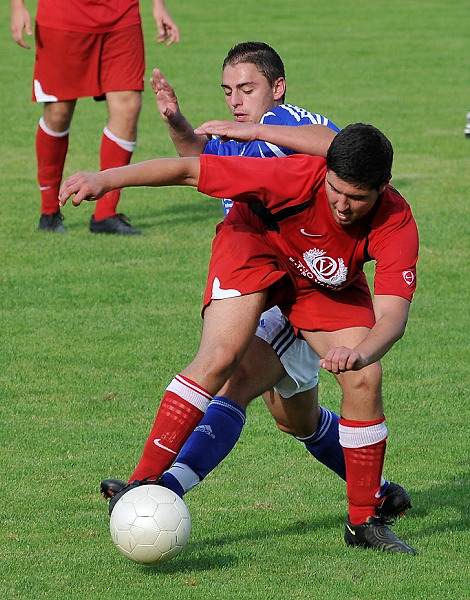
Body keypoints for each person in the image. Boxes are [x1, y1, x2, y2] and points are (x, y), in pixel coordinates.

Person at [59, 122, 420, 554]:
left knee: (364, 379)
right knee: (222, 356)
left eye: (356, 198)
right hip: (253, 246)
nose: (342, 205)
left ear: (384, 185)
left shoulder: (396, 220)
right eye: (335, 190)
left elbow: (392, 317)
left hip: (320, 283)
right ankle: (141, 485)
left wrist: (360, 354)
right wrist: (104, 180)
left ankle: (364, 520)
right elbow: (189, 170)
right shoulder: (292, 178)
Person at [97, 42, 409, 520]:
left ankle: (158, 489)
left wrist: (258, 129)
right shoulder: (242, 139)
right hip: (260, 266)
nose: (236, 100)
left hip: (305, 279)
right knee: (295, 420)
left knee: (236, 379)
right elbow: (199, 163)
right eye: (228, 91)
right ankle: (380, 492)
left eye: (247, 88)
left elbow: (336, 146)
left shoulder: (292, 129)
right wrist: (178, 125)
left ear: (278, 87)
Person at [10, 0, 179, 234]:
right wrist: (18, 7)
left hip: (122, 13)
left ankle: (105, 213)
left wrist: (158, 5)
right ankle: (49, 212)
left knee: (128, 106)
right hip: (62, 14)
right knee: (59, 112)